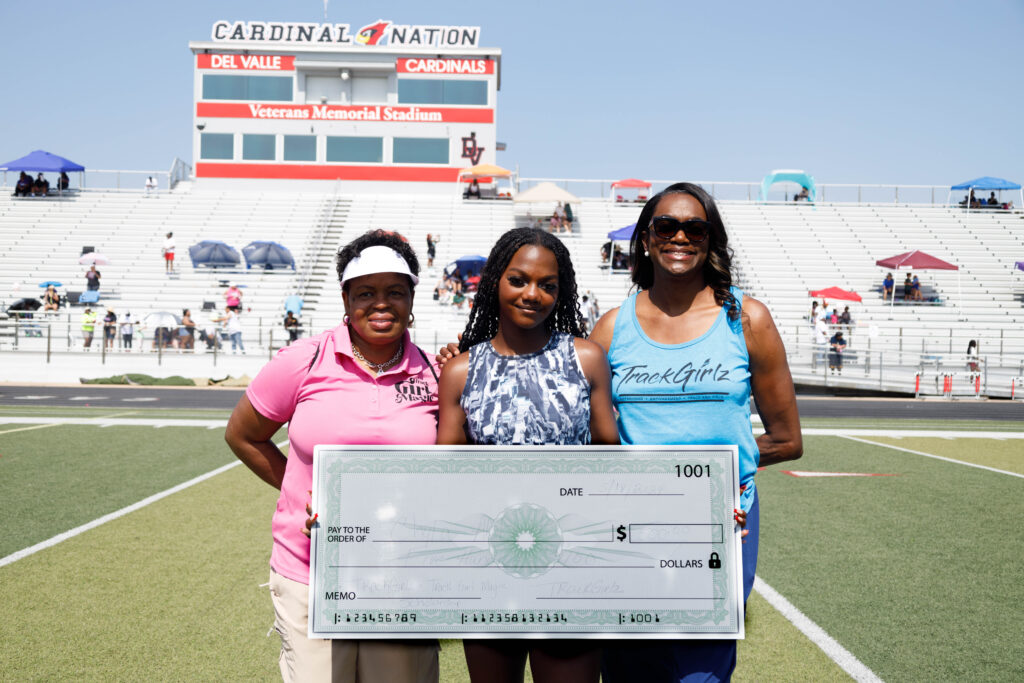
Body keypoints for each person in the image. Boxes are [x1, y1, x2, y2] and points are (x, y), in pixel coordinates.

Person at [587, 182, 801, 682]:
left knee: (701, 672)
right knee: (629, 666)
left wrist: (709, 476)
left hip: (724, 519)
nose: (679, 236)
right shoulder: (611, 327)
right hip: (631, 521)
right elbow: (588, 439)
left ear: (711, 240)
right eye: (665, 226)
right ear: (645, 238)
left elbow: (787, 438)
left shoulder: (747, 319)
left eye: (694, 227)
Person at [225, 230, 441, 683]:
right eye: (366, 292)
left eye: (395, 292)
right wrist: (308, 492)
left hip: (401, 574)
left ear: (411, 298)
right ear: (345, 299)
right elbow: (244, 435)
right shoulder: (302, 361)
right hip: (311, 568)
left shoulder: (437, 371)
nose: (381, 304)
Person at [436, 227, 619, 683]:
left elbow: (611, 463)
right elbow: (442, 476)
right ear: (495, 280)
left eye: (548, 285)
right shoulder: (460, 370)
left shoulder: (587, 358)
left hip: (571, 568)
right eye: (519, 280)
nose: (533, 294)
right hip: (489, 569)